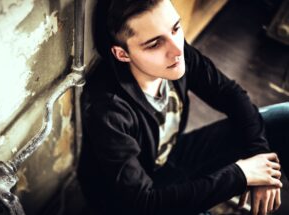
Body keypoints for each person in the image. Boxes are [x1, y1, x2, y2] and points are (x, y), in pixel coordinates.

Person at [77, 0, 289, 214]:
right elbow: (144, 202)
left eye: (175, 28)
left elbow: (230, 95)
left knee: (284, 118)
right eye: (154, 44)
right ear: (122, 54)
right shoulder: (106, 108)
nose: (177, 49)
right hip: (131, 202)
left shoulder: (178, 54)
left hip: (173, 156)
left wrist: (262, 161)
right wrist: (241, 175)